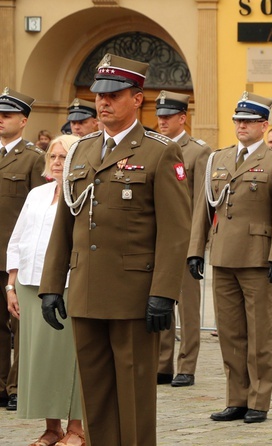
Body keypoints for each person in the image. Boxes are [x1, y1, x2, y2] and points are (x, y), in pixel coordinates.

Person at [39, 53, 191, 446]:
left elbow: (175, 231)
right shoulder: (83, 150)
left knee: (135, 396)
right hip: (87, 290)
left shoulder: (159, 151)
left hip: (133, 295)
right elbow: (65, 223)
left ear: (138, 99)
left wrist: (163, 293)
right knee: (96, 393)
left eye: (114, 94)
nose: (103, 102)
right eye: (99, 95)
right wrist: (52, 284)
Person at [188, 91, 272, 424]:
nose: (241, 126)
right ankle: (236, 397)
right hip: (223, 254)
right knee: (230, 332)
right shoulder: (217, 160)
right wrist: (196, 249)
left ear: (263, 125)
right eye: (238, 120)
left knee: (259, 333)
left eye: (249, 121)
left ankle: (258, 399)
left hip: (258, 258)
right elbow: (203, 207)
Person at [6, 134, 85, 446]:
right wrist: (11, 285)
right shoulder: (37, 194)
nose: (56, 162)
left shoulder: (81, 194)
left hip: (65, 285)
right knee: (39, 359)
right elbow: (18, 239)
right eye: (52, 156)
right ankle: (52, 428)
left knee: (70, 357)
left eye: (63, 157)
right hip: (29, 284)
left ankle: (77, 428)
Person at [155, 90, 211, 387]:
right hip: (158, 239)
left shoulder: (198, 151)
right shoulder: (154, 147)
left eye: (167, 117)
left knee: (188, 307)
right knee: (161, 300)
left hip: (186, 238)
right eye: (159, 117)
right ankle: (162, 364)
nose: (161, 121)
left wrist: (197, 245)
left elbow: (202, 199)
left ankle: (187, 364)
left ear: (182, 118)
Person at [0, 88, 47, 411]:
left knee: (19, 324)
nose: (1, 120)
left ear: (23, 121)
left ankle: (17, 386)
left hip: (15, 256)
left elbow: (39, 210)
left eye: (7, 115)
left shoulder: (33, 158)